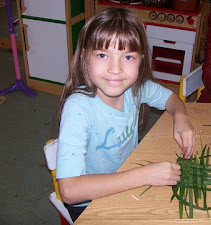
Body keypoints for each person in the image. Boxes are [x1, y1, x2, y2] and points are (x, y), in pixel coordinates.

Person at [56, 7, 195, 221]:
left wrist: (181, 117)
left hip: (128, 177)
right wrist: (144, 175)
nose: (116, 69)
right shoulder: (78, 109)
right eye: (103, 55)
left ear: (141, 59)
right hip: (91, 202)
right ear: (85, 57)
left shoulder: (134, 88)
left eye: (128, 57)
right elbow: (70, 191)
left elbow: (171, 99)